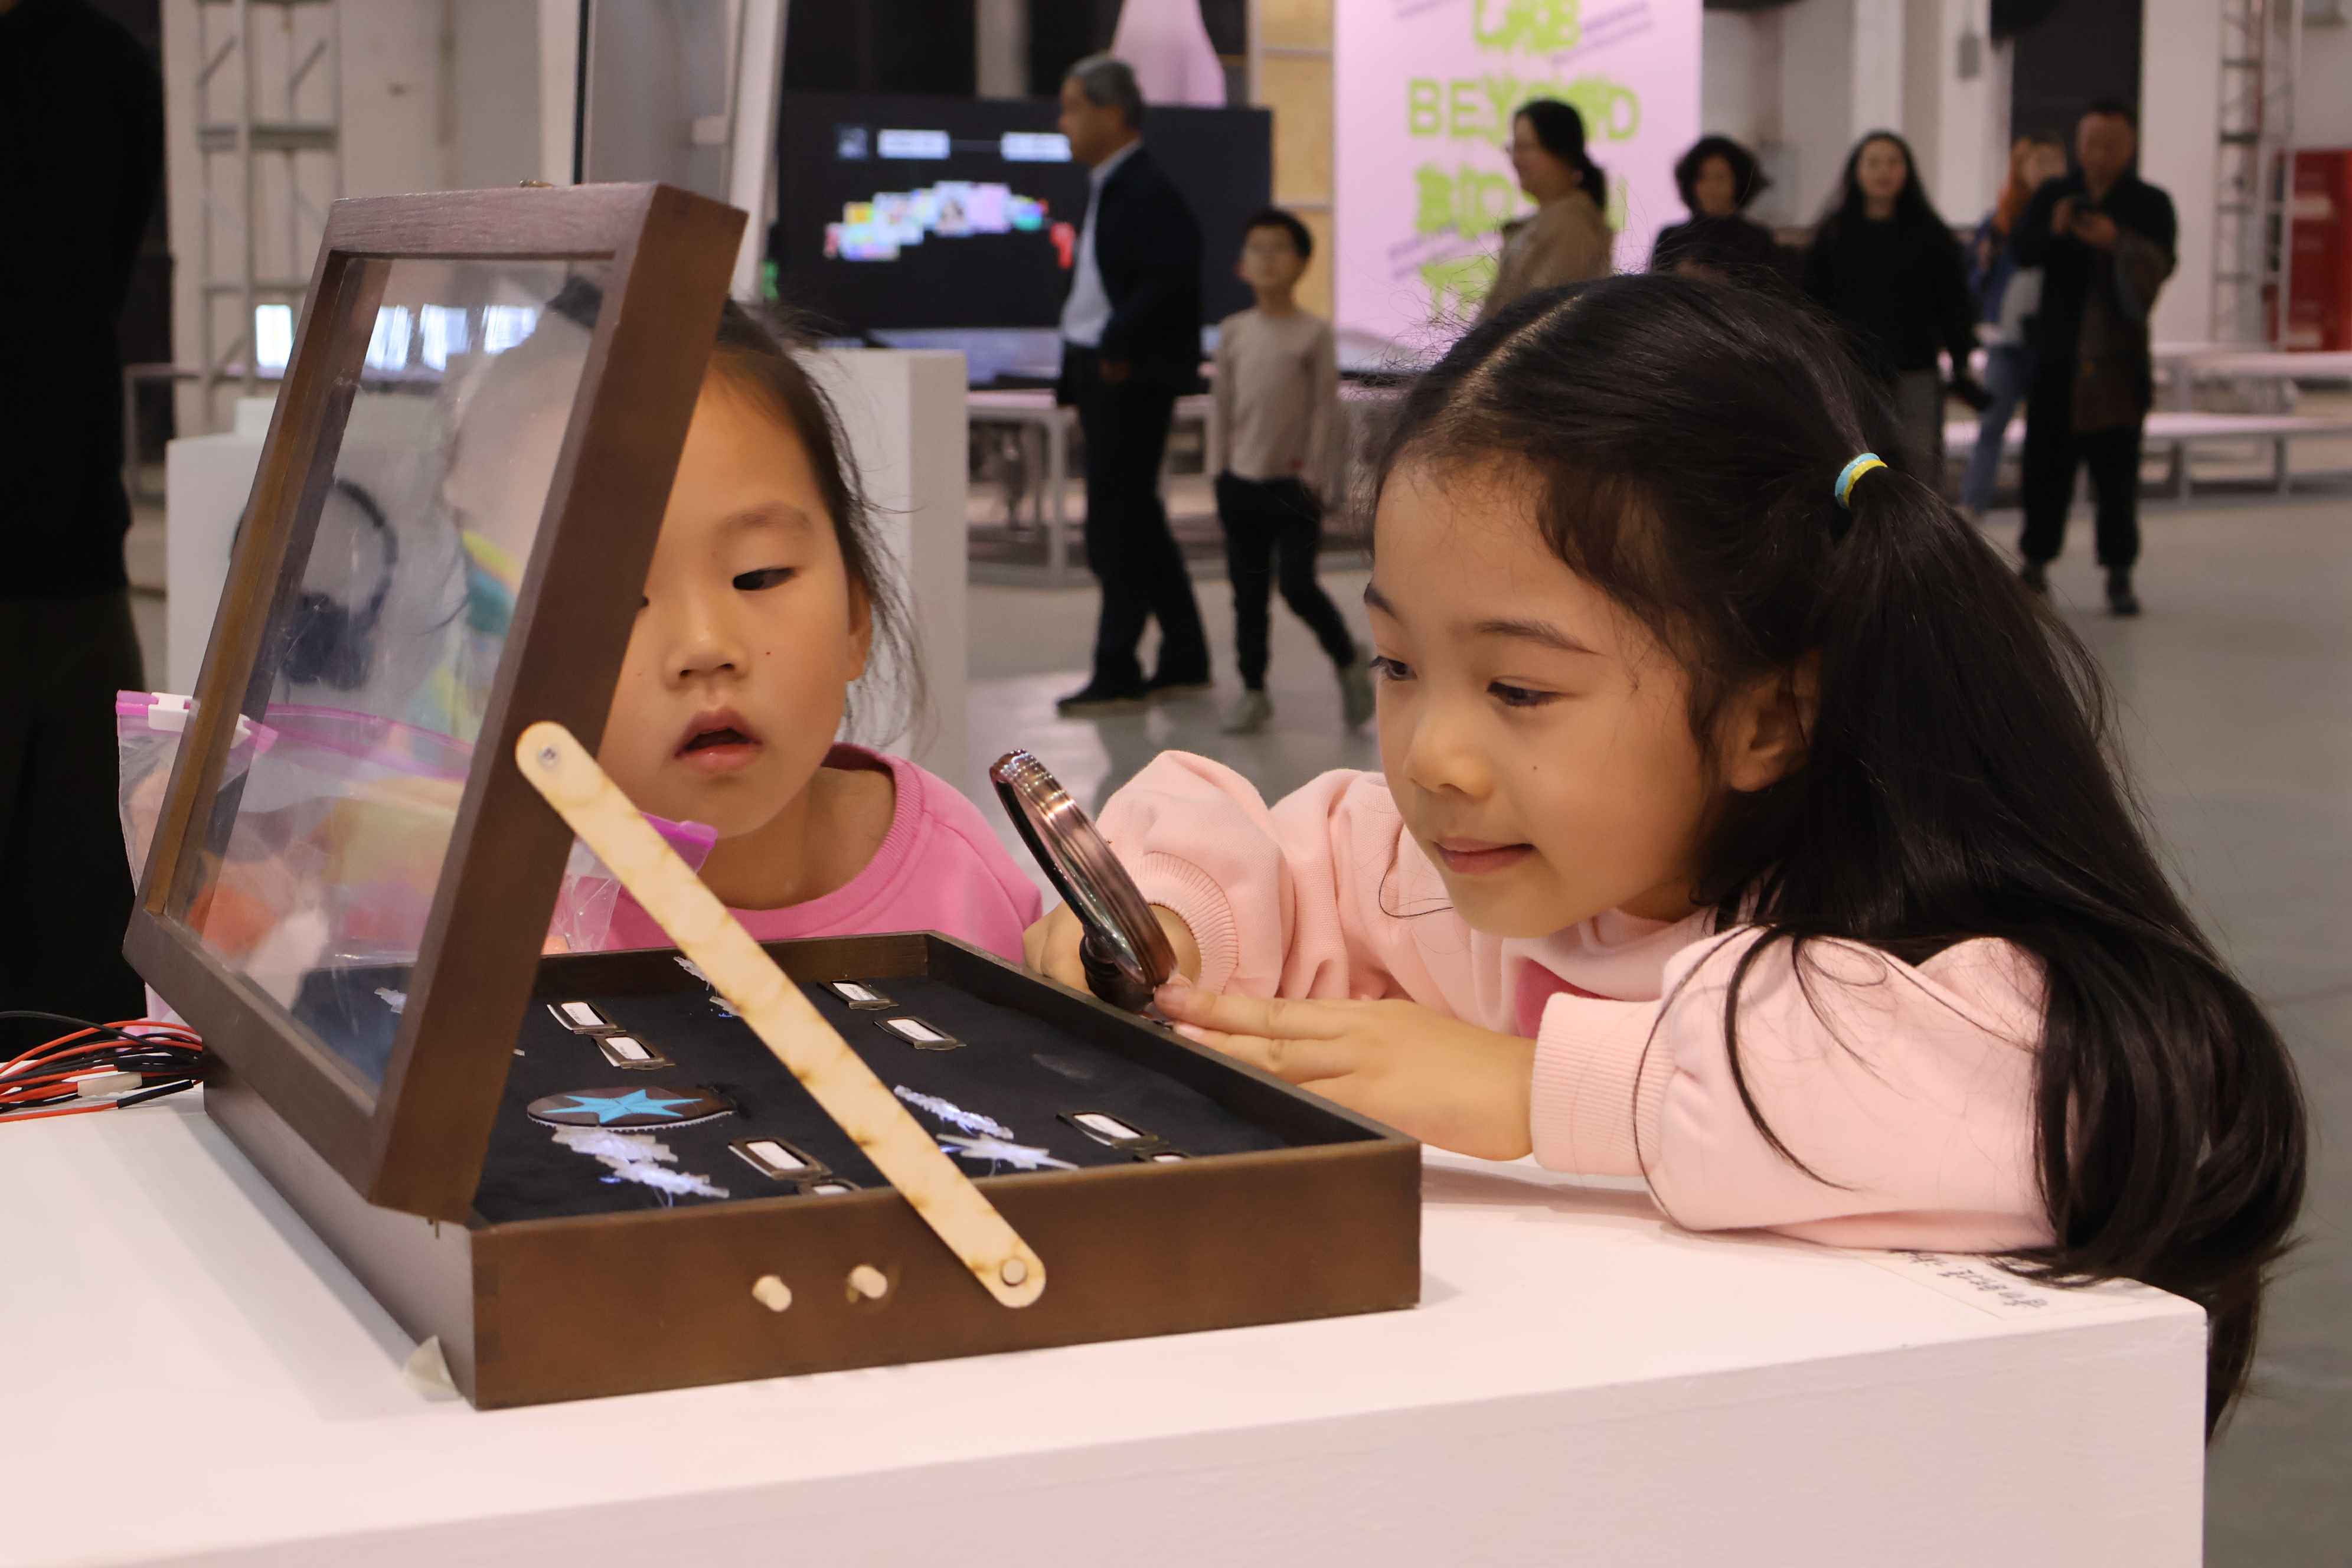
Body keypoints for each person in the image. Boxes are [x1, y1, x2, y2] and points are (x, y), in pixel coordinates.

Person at [1027, 274, 2306, 1435]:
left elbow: (2095, 1097)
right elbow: (1284, 858)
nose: (1434, 757)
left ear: (1766, 719)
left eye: (1520, 688)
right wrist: (1166, 923)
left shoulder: (1900, 947)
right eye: (1399, 665)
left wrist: (1538, 1090)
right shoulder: (1473, 874)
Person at [587, 302, 1043, 959]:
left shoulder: (956, 874)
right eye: (619, 599)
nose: (706, 647)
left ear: (856, 616)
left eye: (759, 574)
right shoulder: (515, 923)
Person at [0, 0, 164, 1052]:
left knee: (83, 941)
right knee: (80, 934)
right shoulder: (105, 64)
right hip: (73, 551)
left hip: (70, 564)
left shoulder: (94, 64)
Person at [1051, 54, 1213, 715]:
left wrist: (1118, 345)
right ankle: (1185, 655)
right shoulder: (1114, 184)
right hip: (1105, 371)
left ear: (1113, 113)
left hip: (1128, 375)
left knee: (1117, 527)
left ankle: (1118, 667)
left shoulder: (1144, 188)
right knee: (1136, 520)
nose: (1063, 123)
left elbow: (1168, 278)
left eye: (1073, 108)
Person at [1208, 208, 1374, 737]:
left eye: (1279, 248)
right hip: (1241, 481)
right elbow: (1221, 406)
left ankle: (1347, 658)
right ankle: (1254, 690)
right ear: (1242, 262)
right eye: (1256, 248)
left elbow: (1326, 409)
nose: (1267, 259)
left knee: (1299, 586)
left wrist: (1320, 478)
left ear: (1302, 262)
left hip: (1295, 485)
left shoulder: (1313, 333)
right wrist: (1219, 471)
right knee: (1248, 594)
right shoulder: (1234, 331)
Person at [2013, 102, 2177, 615]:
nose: (2098, 154)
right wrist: (2054, 228)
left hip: (2118, 364)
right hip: (2056, 360)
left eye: (2110, 144)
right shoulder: (2055, 194)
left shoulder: (2150, 203)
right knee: (2044, 470)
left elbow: (2163, 266)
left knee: (2117, 477)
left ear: (2129, 147)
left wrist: (2117, 241)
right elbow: (2020, 251)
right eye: (2089, 143)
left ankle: (2119, 571)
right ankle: (2035, 561)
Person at [1801, 131, 1984, 486]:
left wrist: (1961, 360)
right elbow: (1812, 305)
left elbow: (1954, 306)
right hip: (1852, 370)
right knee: (1856, 467)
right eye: (1873, 163)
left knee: (1920, 465)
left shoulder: (1931, 235)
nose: (1883, 172)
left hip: (1915, 369)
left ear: (1907, 171)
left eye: (1893, 163)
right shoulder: (1833, 235)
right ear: (1857, 171)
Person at [1961, 135, 2070, 519]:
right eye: (2038, 161)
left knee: (2050, 434)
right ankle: (1973, 506)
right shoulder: (2000, 221)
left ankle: (2044, 513)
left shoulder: (2073, 216)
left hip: (2054, 340)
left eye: (2054, 160)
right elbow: (1976, 283)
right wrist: (1985, 264)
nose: (2047, 169)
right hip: (2006, 340)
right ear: (2021, 167)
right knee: (1992, 425)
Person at [1476, 100, 1612, 321]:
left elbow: (1542, 320)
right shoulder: (1553, 220)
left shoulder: (1571, 226)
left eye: (1525, 148)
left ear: (1560, 152)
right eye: (1513, 148)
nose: (1515, 160)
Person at [1649, 134, 1787, 286]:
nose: (1711, 187)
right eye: (1702, 178)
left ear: (1739, 182)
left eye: (1720, 178)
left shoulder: (1758, 240)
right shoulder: (1671, 238)